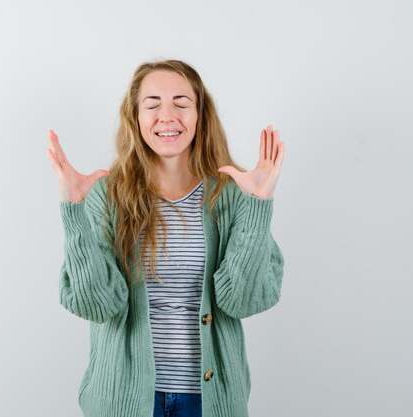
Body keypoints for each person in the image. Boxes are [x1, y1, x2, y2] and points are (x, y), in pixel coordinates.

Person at [46, 59, 285, 417]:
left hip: (209, 403)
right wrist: (73, 212)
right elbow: (95, 305)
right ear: (136, 117)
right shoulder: (106, 195)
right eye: (153, 105)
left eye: (181, 103)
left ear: (200, 114)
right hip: (122, 401)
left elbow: (243, 301)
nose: (167, 116)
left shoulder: (233, 195)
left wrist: (258, 204)